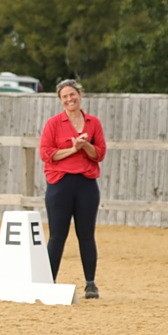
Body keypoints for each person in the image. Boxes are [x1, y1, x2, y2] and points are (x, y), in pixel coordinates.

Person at [39, 79, 107, 299]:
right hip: (60, 183)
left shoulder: (93, 122)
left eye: (72, 94)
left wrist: (85, 145)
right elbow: (47, 154)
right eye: (65, 96)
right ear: (61, 100)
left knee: (86, 235)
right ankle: (49, 282)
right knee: (57, 235)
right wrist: (73, 148)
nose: (70, 99)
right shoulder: (53, 124)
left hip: (86, 184)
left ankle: (90, 283)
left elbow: (100, 154)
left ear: (80, 94)